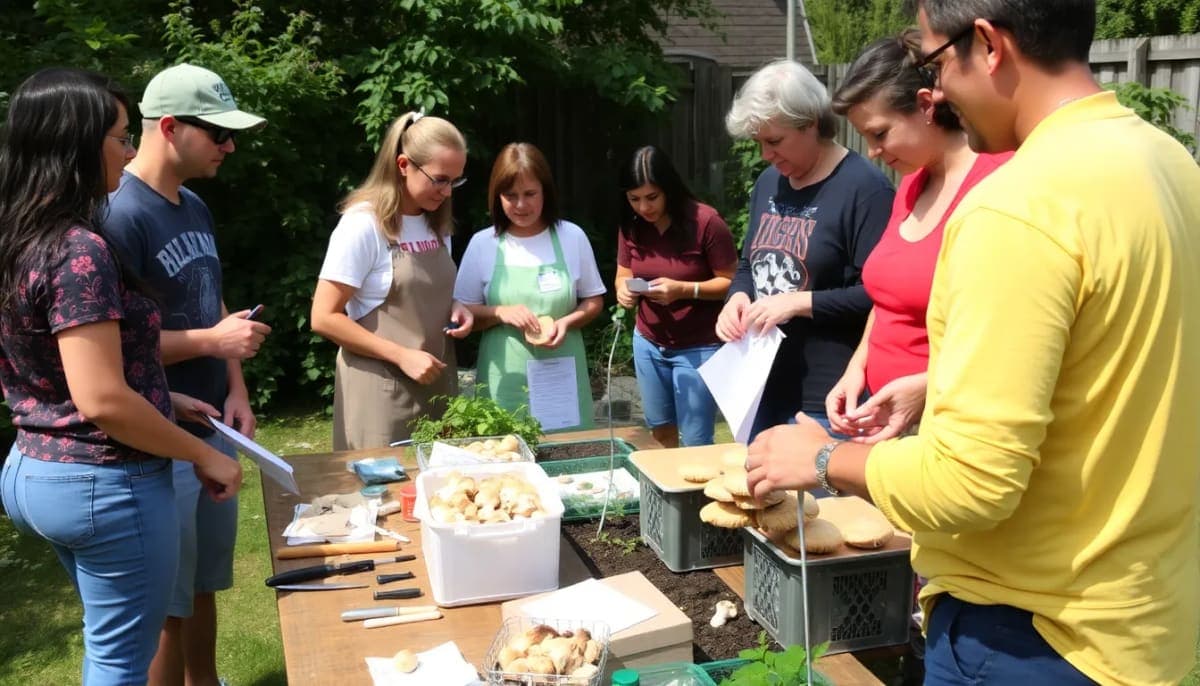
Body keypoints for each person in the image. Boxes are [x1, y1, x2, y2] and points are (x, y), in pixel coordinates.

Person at [745, 1, 1200, 683]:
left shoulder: (1017, 205)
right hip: (1145, 620)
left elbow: (972, 484)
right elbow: (1120, 357)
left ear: (986, 45)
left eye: (932, 64)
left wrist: (824, 457)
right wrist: (939, 383)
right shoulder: (1170, 163)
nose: (936, 94)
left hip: (1031, 633)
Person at [0, 67, 242, 685]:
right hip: (102, 480)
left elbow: (63, 370)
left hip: (34, 465)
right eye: (118, 137)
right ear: (76, 147)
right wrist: (203, 456)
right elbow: (102, 396)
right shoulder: (81, 248)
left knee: (109, 641)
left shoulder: (23, 236)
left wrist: (167, 397)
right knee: (119, 662)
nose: (130, 151)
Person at [102, 63, 269, 686]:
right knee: (164, 607)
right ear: (169, 127)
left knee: (202, 585)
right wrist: (209, 340)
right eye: (220, 134)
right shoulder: (119, 217)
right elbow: (110, 351)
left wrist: (236, 387)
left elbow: (211, 301)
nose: (230, 146)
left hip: (211, 422)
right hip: (159, 436)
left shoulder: (193, 204)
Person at [825, 29, 1009, 443]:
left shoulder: (997, 182)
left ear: (926, 105)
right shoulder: (911, 183)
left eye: (879, 133)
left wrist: (928, 387)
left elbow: (1008, 336)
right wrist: (857, 368)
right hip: (886, 414)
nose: (872, 150)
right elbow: (887, 298)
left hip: (951, 423)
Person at [718, 59, 894, 440]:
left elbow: (881, 296)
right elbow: (751, 262)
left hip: (828, 397)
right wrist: (737, 296)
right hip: (759, 387)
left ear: (811, 124)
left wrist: (799, 303)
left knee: (823, 503)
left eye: (775, 141)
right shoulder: (770, 182)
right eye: (758, 142)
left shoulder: (865, 190)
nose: (765, 154)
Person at [312, 112, 472, 450]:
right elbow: (323, 317)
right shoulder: (363, 225)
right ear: (403, 165)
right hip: (380, 395)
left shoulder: (436, 225)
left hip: (437, 386)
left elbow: (429, 291)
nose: (446, 192)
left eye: (455, 181)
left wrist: (456, 307)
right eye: (440, 179)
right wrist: (401, 355)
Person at [454, 143, 605, 432]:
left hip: (561, 377)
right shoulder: (483, 244)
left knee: (568, 460)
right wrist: (499, 312)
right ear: (497, 197)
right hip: (504, 379)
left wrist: (568, 322)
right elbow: (462, 313)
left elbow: (593, 300)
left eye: (530, 194)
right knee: (503, 457)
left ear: (545, 192)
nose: (521, 205)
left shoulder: (572, 237)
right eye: (510, 196)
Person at [614, 145, 737, 447]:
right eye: (634, 199)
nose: (644, 207)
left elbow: (732, 282)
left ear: (669, 189)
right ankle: (667, 494)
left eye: (652, 197)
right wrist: (622, 291)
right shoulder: (630, 225)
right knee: (659, 430)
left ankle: (696, 495)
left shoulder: (706, 222)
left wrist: (685, 289)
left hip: (699, 346)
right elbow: (623, 272)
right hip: (648, 341)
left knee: (696, 438)